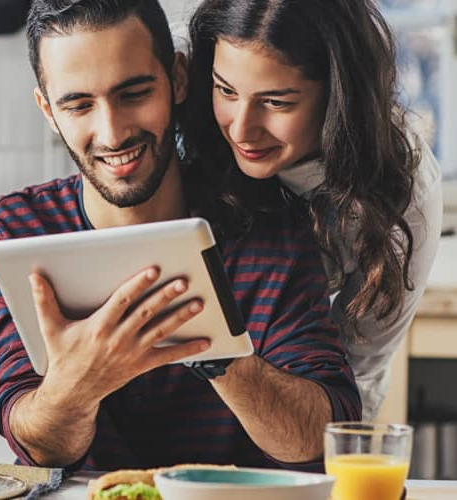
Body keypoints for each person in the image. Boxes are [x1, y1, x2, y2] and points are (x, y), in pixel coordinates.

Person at [0, 0, 360, 472]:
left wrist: (219, 352)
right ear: (48, 111)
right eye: (79, 105)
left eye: (133, 94)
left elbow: (321, 438)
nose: (112, 133)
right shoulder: (10, 234)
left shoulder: (270, 225)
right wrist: (78, 381)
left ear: (176, 78)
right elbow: (36, 442)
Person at [184, 0, 443, 420]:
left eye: (276, 102)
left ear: (339, 96)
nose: (240, 128)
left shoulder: (402, 190)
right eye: (226, 90)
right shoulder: (187, 113)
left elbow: (358, 366)